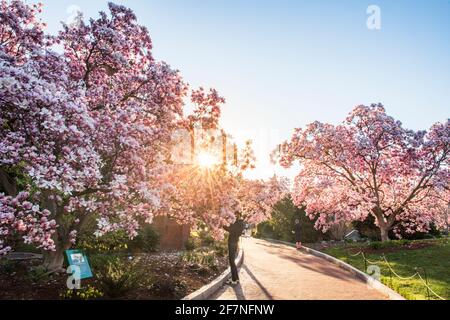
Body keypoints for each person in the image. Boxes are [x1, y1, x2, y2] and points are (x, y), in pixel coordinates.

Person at [223, 217, 245, 285]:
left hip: (232, 243)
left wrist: (223, 225)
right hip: (235, 242)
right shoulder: (241, 223)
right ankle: (236, 278)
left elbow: (230, 229)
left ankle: (234, 280)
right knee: (232, 261)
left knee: (231, 261)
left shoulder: (238, 223)